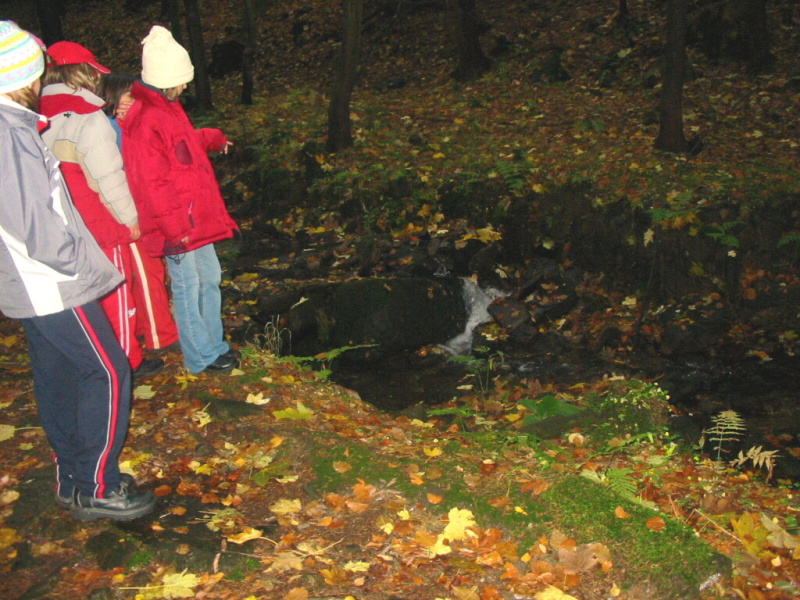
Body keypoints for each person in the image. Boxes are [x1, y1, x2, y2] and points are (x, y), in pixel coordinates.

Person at [0, 20, 155, 520]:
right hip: (52, 281)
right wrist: (76, 263)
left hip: (30, 281)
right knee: (109, 370)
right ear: (22, 75)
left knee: (58, 373)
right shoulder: (9, 133)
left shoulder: (13, 126)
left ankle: (73, 477)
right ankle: (97, 485)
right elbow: (33, 220)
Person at [39, 40, 164, 380]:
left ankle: (94, 359)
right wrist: (130, 220)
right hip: (101, 223)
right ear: (84, 74)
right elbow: (107, 177)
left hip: (61, 225)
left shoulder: (35, 115)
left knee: (86, 297)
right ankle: (126, 362)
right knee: (115, 292)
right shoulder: (87, 117)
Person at [121, 25, 239, 374]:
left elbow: (182, 148)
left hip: (196, 216)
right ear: (167, 80)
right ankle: (200, 356)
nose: (186, 86)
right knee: (189, 287)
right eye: (182, 81)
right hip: (179, 224)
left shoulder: (169, 109)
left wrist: (213, 138)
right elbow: (151, 182)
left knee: (210, 279)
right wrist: (176, 229)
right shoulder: (145, 119)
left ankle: (214, 344)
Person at [101, 71, 180, 353]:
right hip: (127, 212)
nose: (133, 101)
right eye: (128, 95)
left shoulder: (130, 124)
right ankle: (161, 336)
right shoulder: (110, 128)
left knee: (147, 273)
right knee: (148, 274)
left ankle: (147, 329)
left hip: (140, 209)